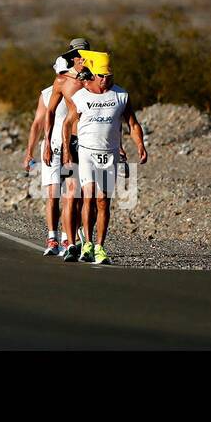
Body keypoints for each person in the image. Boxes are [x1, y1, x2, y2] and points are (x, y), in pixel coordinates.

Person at [61, 50, 148, 265]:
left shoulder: (121, 95)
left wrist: (140, 145)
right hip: (87, 152)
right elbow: (67, 124)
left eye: (109, 76)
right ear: (93, 74)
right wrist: (65, 149)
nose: (105, 80)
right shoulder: (80, 96)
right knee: (88, 197)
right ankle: (87, 244)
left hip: (109, 154)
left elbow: (133, 124)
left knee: (103, 202)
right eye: (101, 76)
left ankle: (100, 247)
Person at [25, 48, 87, 254]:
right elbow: (37, 123)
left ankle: (66, 238)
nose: (61, 76)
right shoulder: (47, 93)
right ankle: (52, 238)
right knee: (53, 194)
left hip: (73, 144)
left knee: (72, 194)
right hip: (52, 146)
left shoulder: (85, 87)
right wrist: (30, 151)